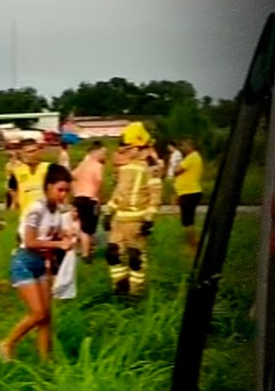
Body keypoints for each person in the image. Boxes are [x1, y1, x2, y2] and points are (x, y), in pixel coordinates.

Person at [0, 164, 74, 363]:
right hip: (24, 262)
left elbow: (50, 234)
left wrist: (65, 235)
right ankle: (7, 343)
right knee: (38, 313)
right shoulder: (36, 209)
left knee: (47, 317)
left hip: (43, 264)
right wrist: (59, 243)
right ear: (48, 187)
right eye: (60, 190)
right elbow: (31, 241)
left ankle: (45, 361)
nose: (63, 195)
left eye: (67, 191)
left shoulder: (57, 211)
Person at [103, 122, 162, 298]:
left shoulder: (151, 169)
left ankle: (135, 293)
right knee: (112, 254)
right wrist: (108, 211)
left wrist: (149, 218)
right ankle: (120, 286)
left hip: (137, 221)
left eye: (128, 148)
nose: (125, 152)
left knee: (136, 258)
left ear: (138, 147)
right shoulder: (124, 168)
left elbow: (155, 196)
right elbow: (119, 192)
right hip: (119, 221)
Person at [71, 142, 106, 262]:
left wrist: (76, 191)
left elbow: (72, 177)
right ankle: (86, 255)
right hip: (90, 198)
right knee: (88, 229)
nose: (104, 156)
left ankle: (85, 249)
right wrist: (96, 195)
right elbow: (99, 180)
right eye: (103, 153)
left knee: (82, 226)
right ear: (95, 152)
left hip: (78, 198)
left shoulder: (81, 165)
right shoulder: (97, 165)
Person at [173, 139, 204, 256]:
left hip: (189, 192)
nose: (183, 148)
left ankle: (192, 246)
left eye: (184, 146)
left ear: (191, 146)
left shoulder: (191, 157)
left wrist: (177, 163)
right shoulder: (195, 157)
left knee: (187, 221)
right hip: (189, 192)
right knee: (188, 220)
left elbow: (177, 170)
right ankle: (193, 242)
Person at [9, 138, 52, 218]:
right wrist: (15, 202)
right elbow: (12, 188)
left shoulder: (49, 168)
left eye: (35, 151)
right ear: (22, 154)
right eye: (29, 152)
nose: (33, 154)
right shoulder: (17, 171)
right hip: (26, 217)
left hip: (46, 216)